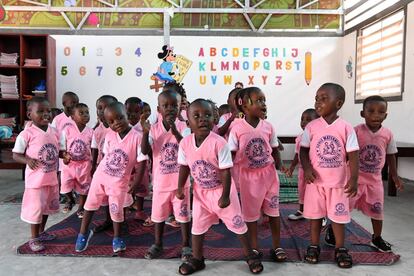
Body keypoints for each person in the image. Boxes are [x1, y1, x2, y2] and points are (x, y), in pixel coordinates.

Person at [176, 99, 263, 275]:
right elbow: (184, 167)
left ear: (214, 119)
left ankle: (250, 255)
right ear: (188, 122)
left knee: (238, 224)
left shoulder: (219, 143)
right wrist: (180, 188)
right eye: (197, 116)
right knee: (197, 227)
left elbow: (225, 172)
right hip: (201, 193)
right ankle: (197, 259)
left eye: (207, 115)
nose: (202, 119)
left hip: (222, 191)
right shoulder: (185, 143)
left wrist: (225, 196)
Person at [300, 83, 359, 269]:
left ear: (338, 103)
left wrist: (354, 178)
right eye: (317, 98)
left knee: (339, 218)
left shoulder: (346, 127)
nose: (318, 102)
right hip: (315, 183)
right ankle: (314, 245)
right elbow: (303, 151)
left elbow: (353, 154)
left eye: (324, 99)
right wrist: (307, 168)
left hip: (338, 184)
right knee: (315, 216)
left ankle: (340, 248)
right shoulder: (311, 127)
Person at [75, 102, 147, 253]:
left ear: (126, 115)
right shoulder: (109, 135)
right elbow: (106, 157)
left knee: (116, 209)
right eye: (111, 121)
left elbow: (142, 163)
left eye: (120, 118)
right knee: (90, 205)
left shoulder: (137, 137)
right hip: (101, 177)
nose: (117, 123)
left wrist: (137, 181)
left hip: (120, 182)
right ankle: (83, 233)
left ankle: (117, 238)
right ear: (107, 123)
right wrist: (94, 170)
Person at [228, 87, 286, 261]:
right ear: (245, 106)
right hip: (248, 178)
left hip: (268, 176)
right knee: (251, 216)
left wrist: (280, 165)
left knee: (274, 212)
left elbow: (275, 149)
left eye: (264, 100)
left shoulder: (268, 127)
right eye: (259, 100)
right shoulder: (237, 129)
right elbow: (230, 154)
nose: (264, 104)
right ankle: (254, 247)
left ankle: (277, 246)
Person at [141, 90, 192, 260]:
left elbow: (186, 147)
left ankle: (186, 246)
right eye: (166, 106)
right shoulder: (154, 129)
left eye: (174, 106)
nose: (170, 109)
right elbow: (144, 151)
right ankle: (158, 243)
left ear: (180, 108)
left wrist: (174, 130)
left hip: (180, 183)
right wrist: (145, 132)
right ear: (159, 109)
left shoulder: (185, 127)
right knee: (158, 216)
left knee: (184, 216)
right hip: (161, 183)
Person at [348, 95, 403, 252]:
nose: (376, 115)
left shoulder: (387, 134)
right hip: (354, 180)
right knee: (343, 207)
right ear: (362, 113)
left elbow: (391, 155)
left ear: (385, 115)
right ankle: (333, 230)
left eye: (381, 112)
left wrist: (395, 175)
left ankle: (377, 238)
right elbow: (347, 153)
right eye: (371, 111)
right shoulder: (356, 131)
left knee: (377, 211)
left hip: (374, 182)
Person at [12, 97, 61, 252]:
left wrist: (64, 156)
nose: (46, 114)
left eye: (48, 111)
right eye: (40, 111)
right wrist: (27, 160)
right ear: (29, 114)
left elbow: (58, 150)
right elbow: (15, 154)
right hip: (35, 181)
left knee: (46, 207)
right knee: (36, 209)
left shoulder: (54, 131)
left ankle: (41, 232)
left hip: (51, 178)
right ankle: (33, 238)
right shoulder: (27, 133)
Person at [90, 95, 118, 233]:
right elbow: (95, 148)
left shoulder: (118, 129)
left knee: (118, 197)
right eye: (99, 108)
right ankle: (108, 220)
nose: (101, 111)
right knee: (106, 197)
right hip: (103, 169)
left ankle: (120, 222)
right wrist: (93, 166)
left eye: (105, 108)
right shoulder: (97, 130)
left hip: (118, 170)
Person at [59, 103, 93, 218]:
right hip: (69, 165)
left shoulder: (90, 132)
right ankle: (71, 199)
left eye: (87, 113)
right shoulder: (67, 130)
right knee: (65, 185)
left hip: (84, 165)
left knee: (84, 188)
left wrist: (92, 164)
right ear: (73, 117)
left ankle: (81, 207)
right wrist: (65, 156)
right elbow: (62, 147)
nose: (85, 115)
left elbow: (93, 149)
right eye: (81, 113)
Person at [285, 108, 319, 220]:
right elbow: (297, 154)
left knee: (315, 191)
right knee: (302, 190)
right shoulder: (299, 138)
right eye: (302, 119)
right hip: (302, 170)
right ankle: (301, 211)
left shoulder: (318, 136)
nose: (304, 122)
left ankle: (318, 213)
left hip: (314, 170)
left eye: (308, 120)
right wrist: (291, 167)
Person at [125, 97, 151, 222]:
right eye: (128, 111)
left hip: (141, 163)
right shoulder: (123, 127)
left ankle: (139, 211)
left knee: (141, 185)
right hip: (126, 163)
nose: (132, 115)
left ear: (142, 113)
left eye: (136, 111)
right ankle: (125, 208)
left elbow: (149, 147)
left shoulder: (144, 128)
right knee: (125, 186)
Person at [51, 91, 79, 209]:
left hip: (75, 152)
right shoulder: (58, 119)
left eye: (76, 102)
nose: (75, 104)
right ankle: (67, 198)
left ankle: (75, 194)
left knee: (76, 175)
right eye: (72, 102)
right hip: (63, 152)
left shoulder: (77, 117)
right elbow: (52, 134)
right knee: (63, 175)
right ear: (64, 103)